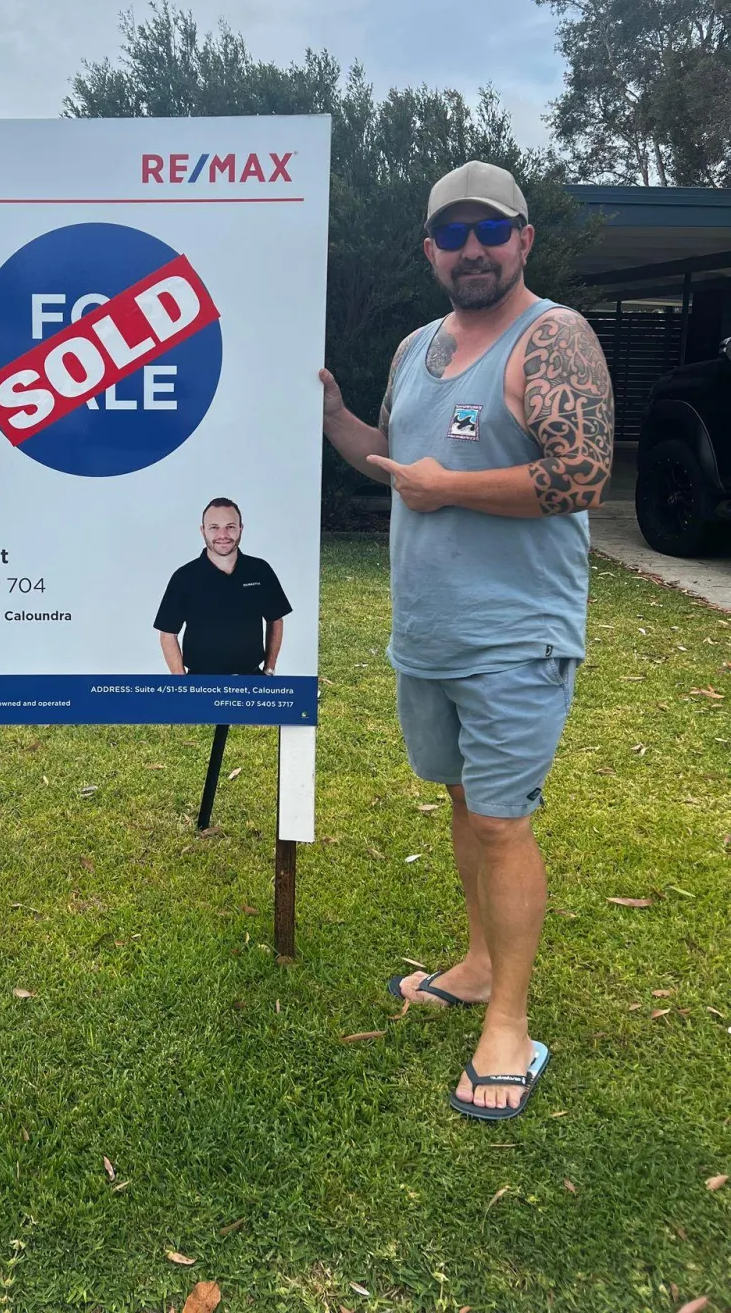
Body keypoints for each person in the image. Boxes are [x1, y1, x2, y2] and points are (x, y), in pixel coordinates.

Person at [320, 160, 612, 1122]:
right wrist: (333, 418)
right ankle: (481, 964)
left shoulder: (553, 335)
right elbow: (394, 462)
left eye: (492, 230)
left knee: (501, 821)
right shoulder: (415, 347)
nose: (473, 249)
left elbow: (580, 477)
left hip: (514, 636)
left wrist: (446, 487)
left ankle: (511, 1031)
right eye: (454, 235)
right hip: (429, 636)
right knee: (462, 806)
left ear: (524, 238)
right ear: (431, 251)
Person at [154, 498, 292, 674]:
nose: (223, 535)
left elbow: (276, 619)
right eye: (214, 527)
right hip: (201, 682)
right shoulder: (184, 577)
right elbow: (167, 633)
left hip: (252, 680)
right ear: (203, 531)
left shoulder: (260, 570)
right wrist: (182, 685)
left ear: (240, 529)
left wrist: (269, 669)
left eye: (230, 526)